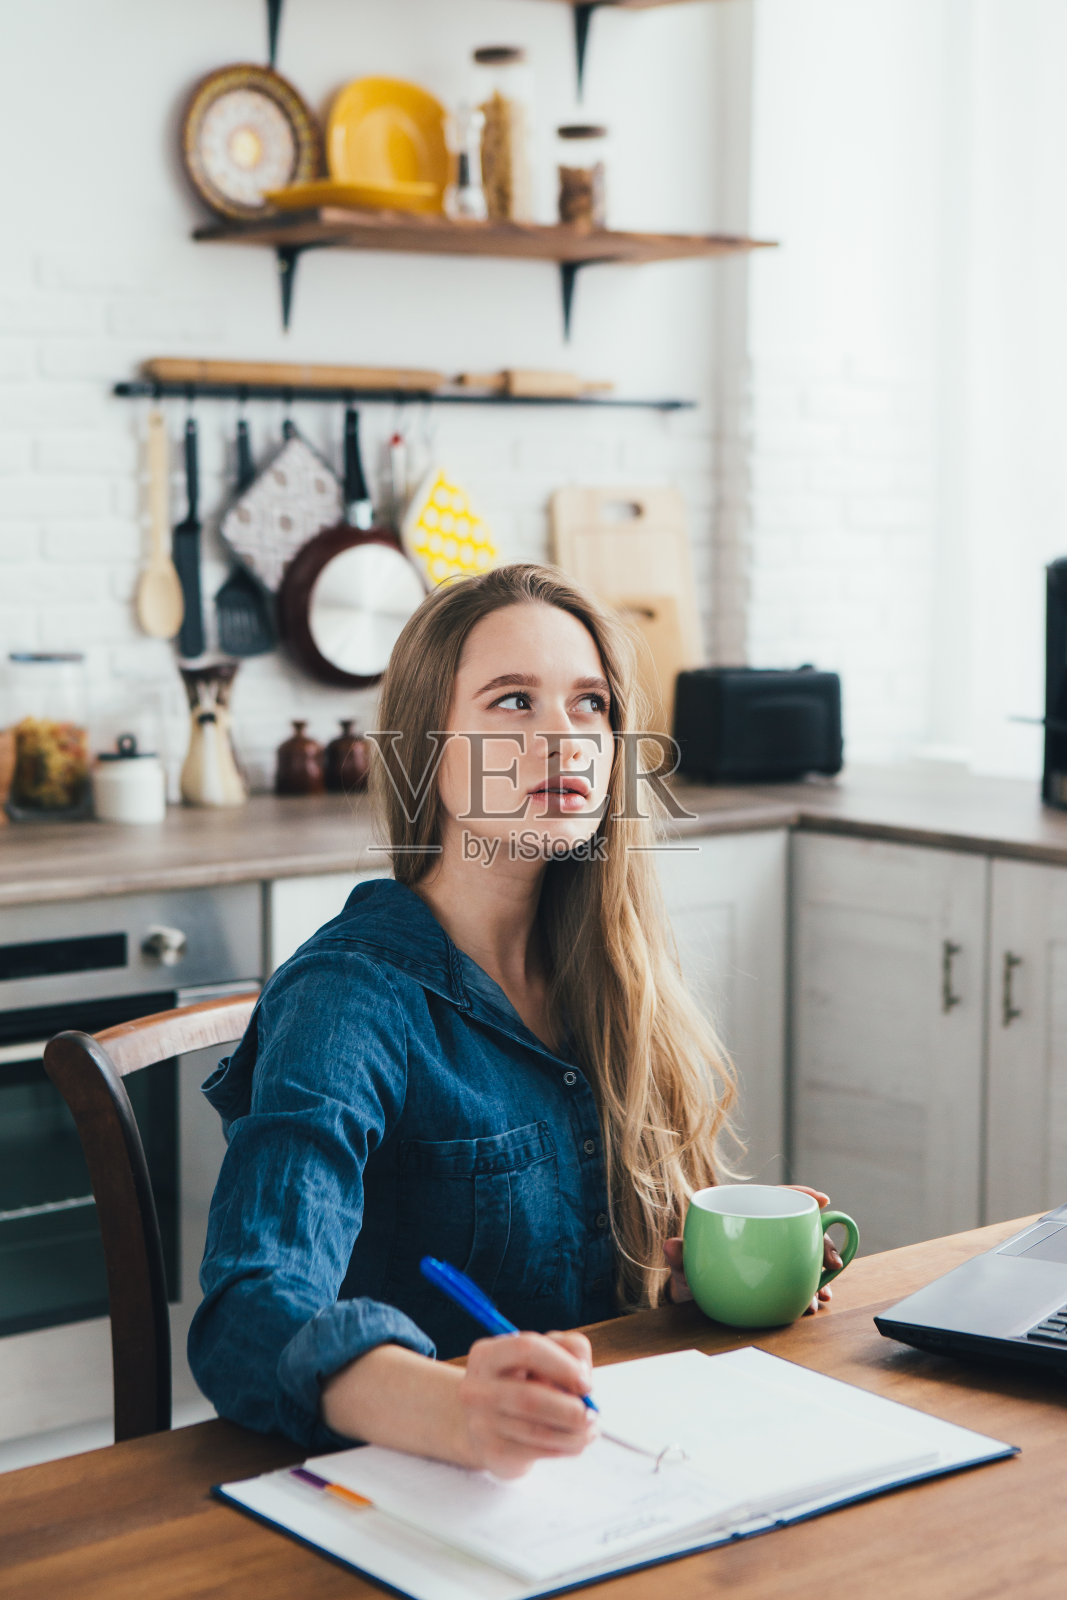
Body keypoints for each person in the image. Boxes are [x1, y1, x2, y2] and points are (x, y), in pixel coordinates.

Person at [188, 562, 839, 1479]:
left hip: (617, 1463)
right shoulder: (349, 997)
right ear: (426, 749)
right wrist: (451, 1407)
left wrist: (689, 1272)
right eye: (510, 704)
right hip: (417, 1496)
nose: (562, 742)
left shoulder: (612, 974)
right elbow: (250, 1309)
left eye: (589, 705)